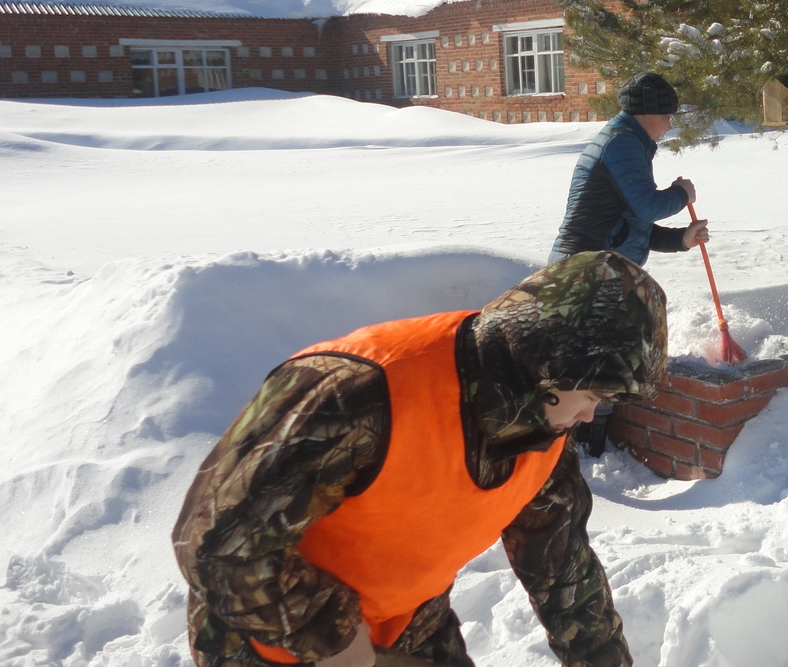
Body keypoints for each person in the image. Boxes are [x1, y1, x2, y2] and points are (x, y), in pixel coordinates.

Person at [172, 251, 666, 667]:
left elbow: (563, 569)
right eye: (593, 393)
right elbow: (215, 542)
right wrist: (332, 639)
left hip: (409, 620)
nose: (590, 415)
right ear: (546, 363)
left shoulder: (541, 426)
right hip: (267, 631)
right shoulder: (356, 392)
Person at [550, 71, 709, 267]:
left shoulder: (627, 141)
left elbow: (628, 226)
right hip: (586, 267)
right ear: (648, 112)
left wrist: (681, 239)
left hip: (593, 264)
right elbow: (648, 208)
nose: (669, 125)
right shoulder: (622, 143)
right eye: (667, 115)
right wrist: (682, 194)